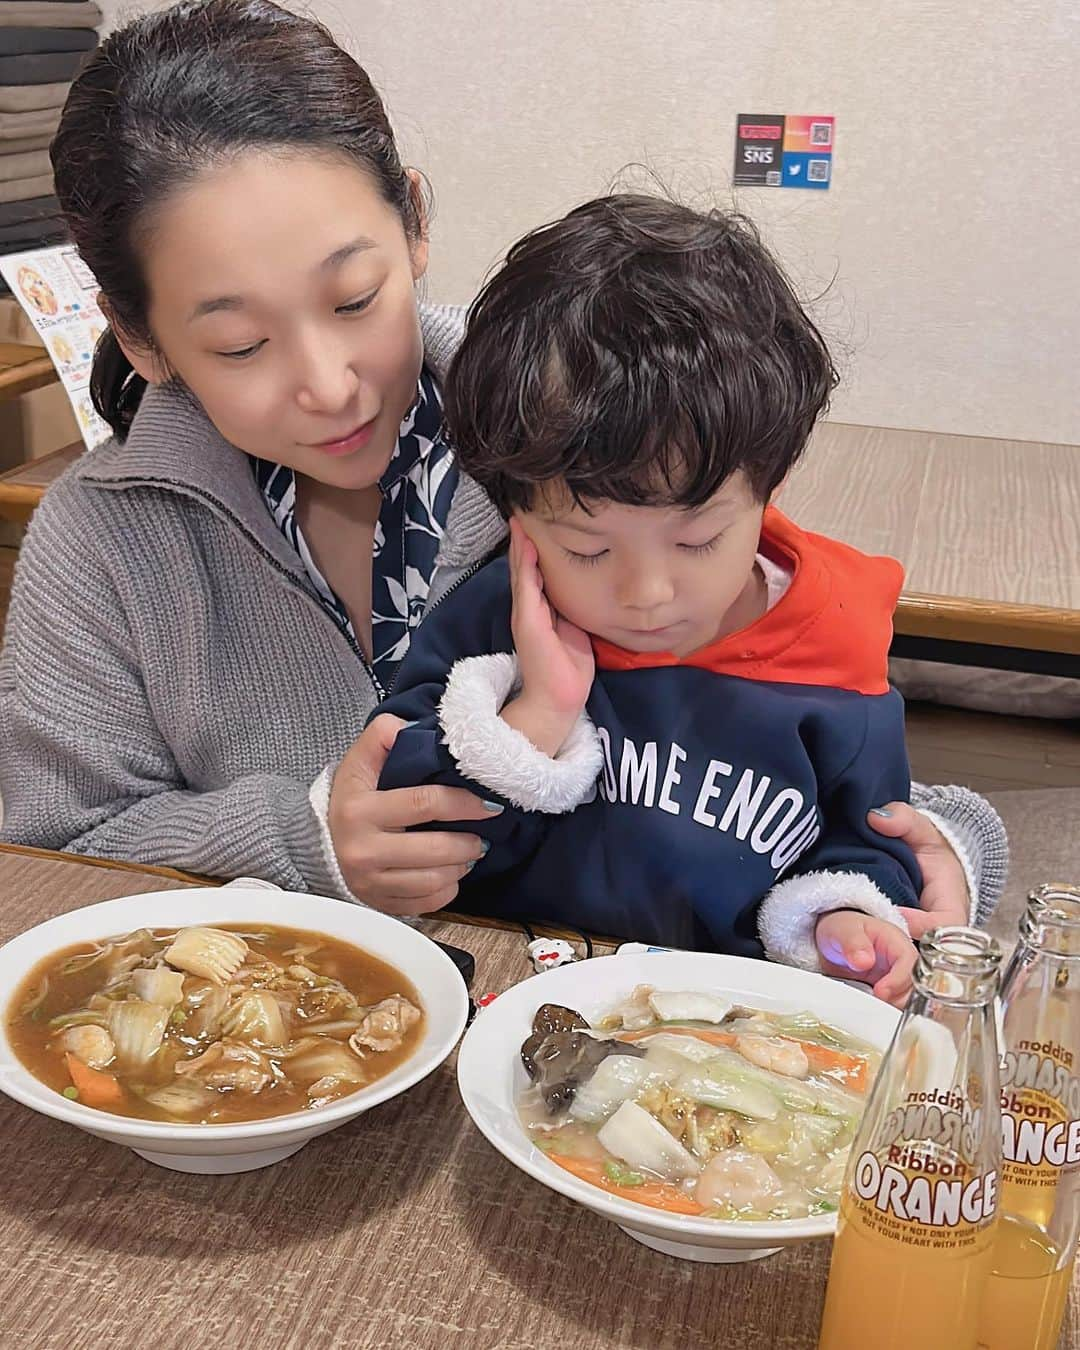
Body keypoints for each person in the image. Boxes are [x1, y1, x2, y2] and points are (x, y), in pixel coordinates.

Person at [0, 0, 1005, 937]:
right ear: (139, 336)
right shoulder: (103, 539)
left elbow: (805, 738)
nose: (329, 385)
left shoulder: (569, 433)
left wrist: (940, 857)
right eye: (239, 346)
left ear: (417, 225)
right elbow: (45, 852)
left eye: (355, 299)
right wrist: (305, 841)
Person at [369, 194, 1000, 1002]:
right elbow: (408, 827)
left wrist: (845, 915)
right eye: (586, 549)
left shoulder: (833, 656)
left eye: (699, 539)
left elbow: (865, 840)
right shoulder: (495, 625)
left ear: (767, 487)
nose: (648, 592)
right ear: (516, 517)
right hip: (502, 1000)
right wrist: (534, 719)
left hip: (725, 1031)